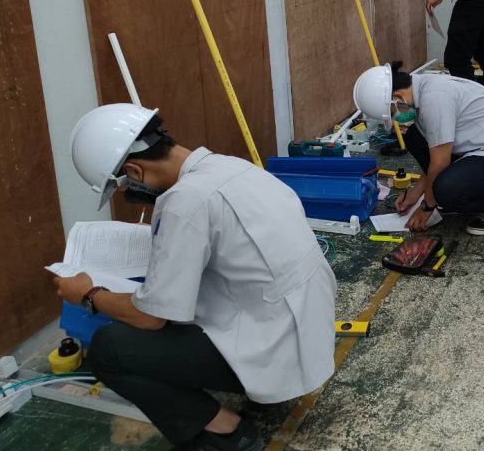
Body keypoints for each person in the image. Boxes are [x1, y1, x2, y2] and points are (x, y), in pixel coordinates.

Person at [57, 104, 336, 451]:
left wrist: (89, 293)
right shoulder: (232, 166)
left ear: (133, 171)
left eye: (123, 186)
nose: (128, 195)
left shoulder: (184, 201)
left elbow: (150, 318)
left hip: (277, 348)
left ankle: (226, 432)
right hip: (310, 329)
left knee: (107, 350)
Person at [353, 62, 484, 236]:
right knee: (414, 137)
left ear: (398, 98)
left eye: (392, 113)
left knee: (445, 192)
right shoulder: (422, 89)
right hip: (481, 149)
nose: (396, 118)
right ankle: (460, 191)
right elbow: (435, 155)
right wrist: (415, 193)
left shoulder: (434, 98)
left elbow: (440, 161)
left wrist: (427, 207)